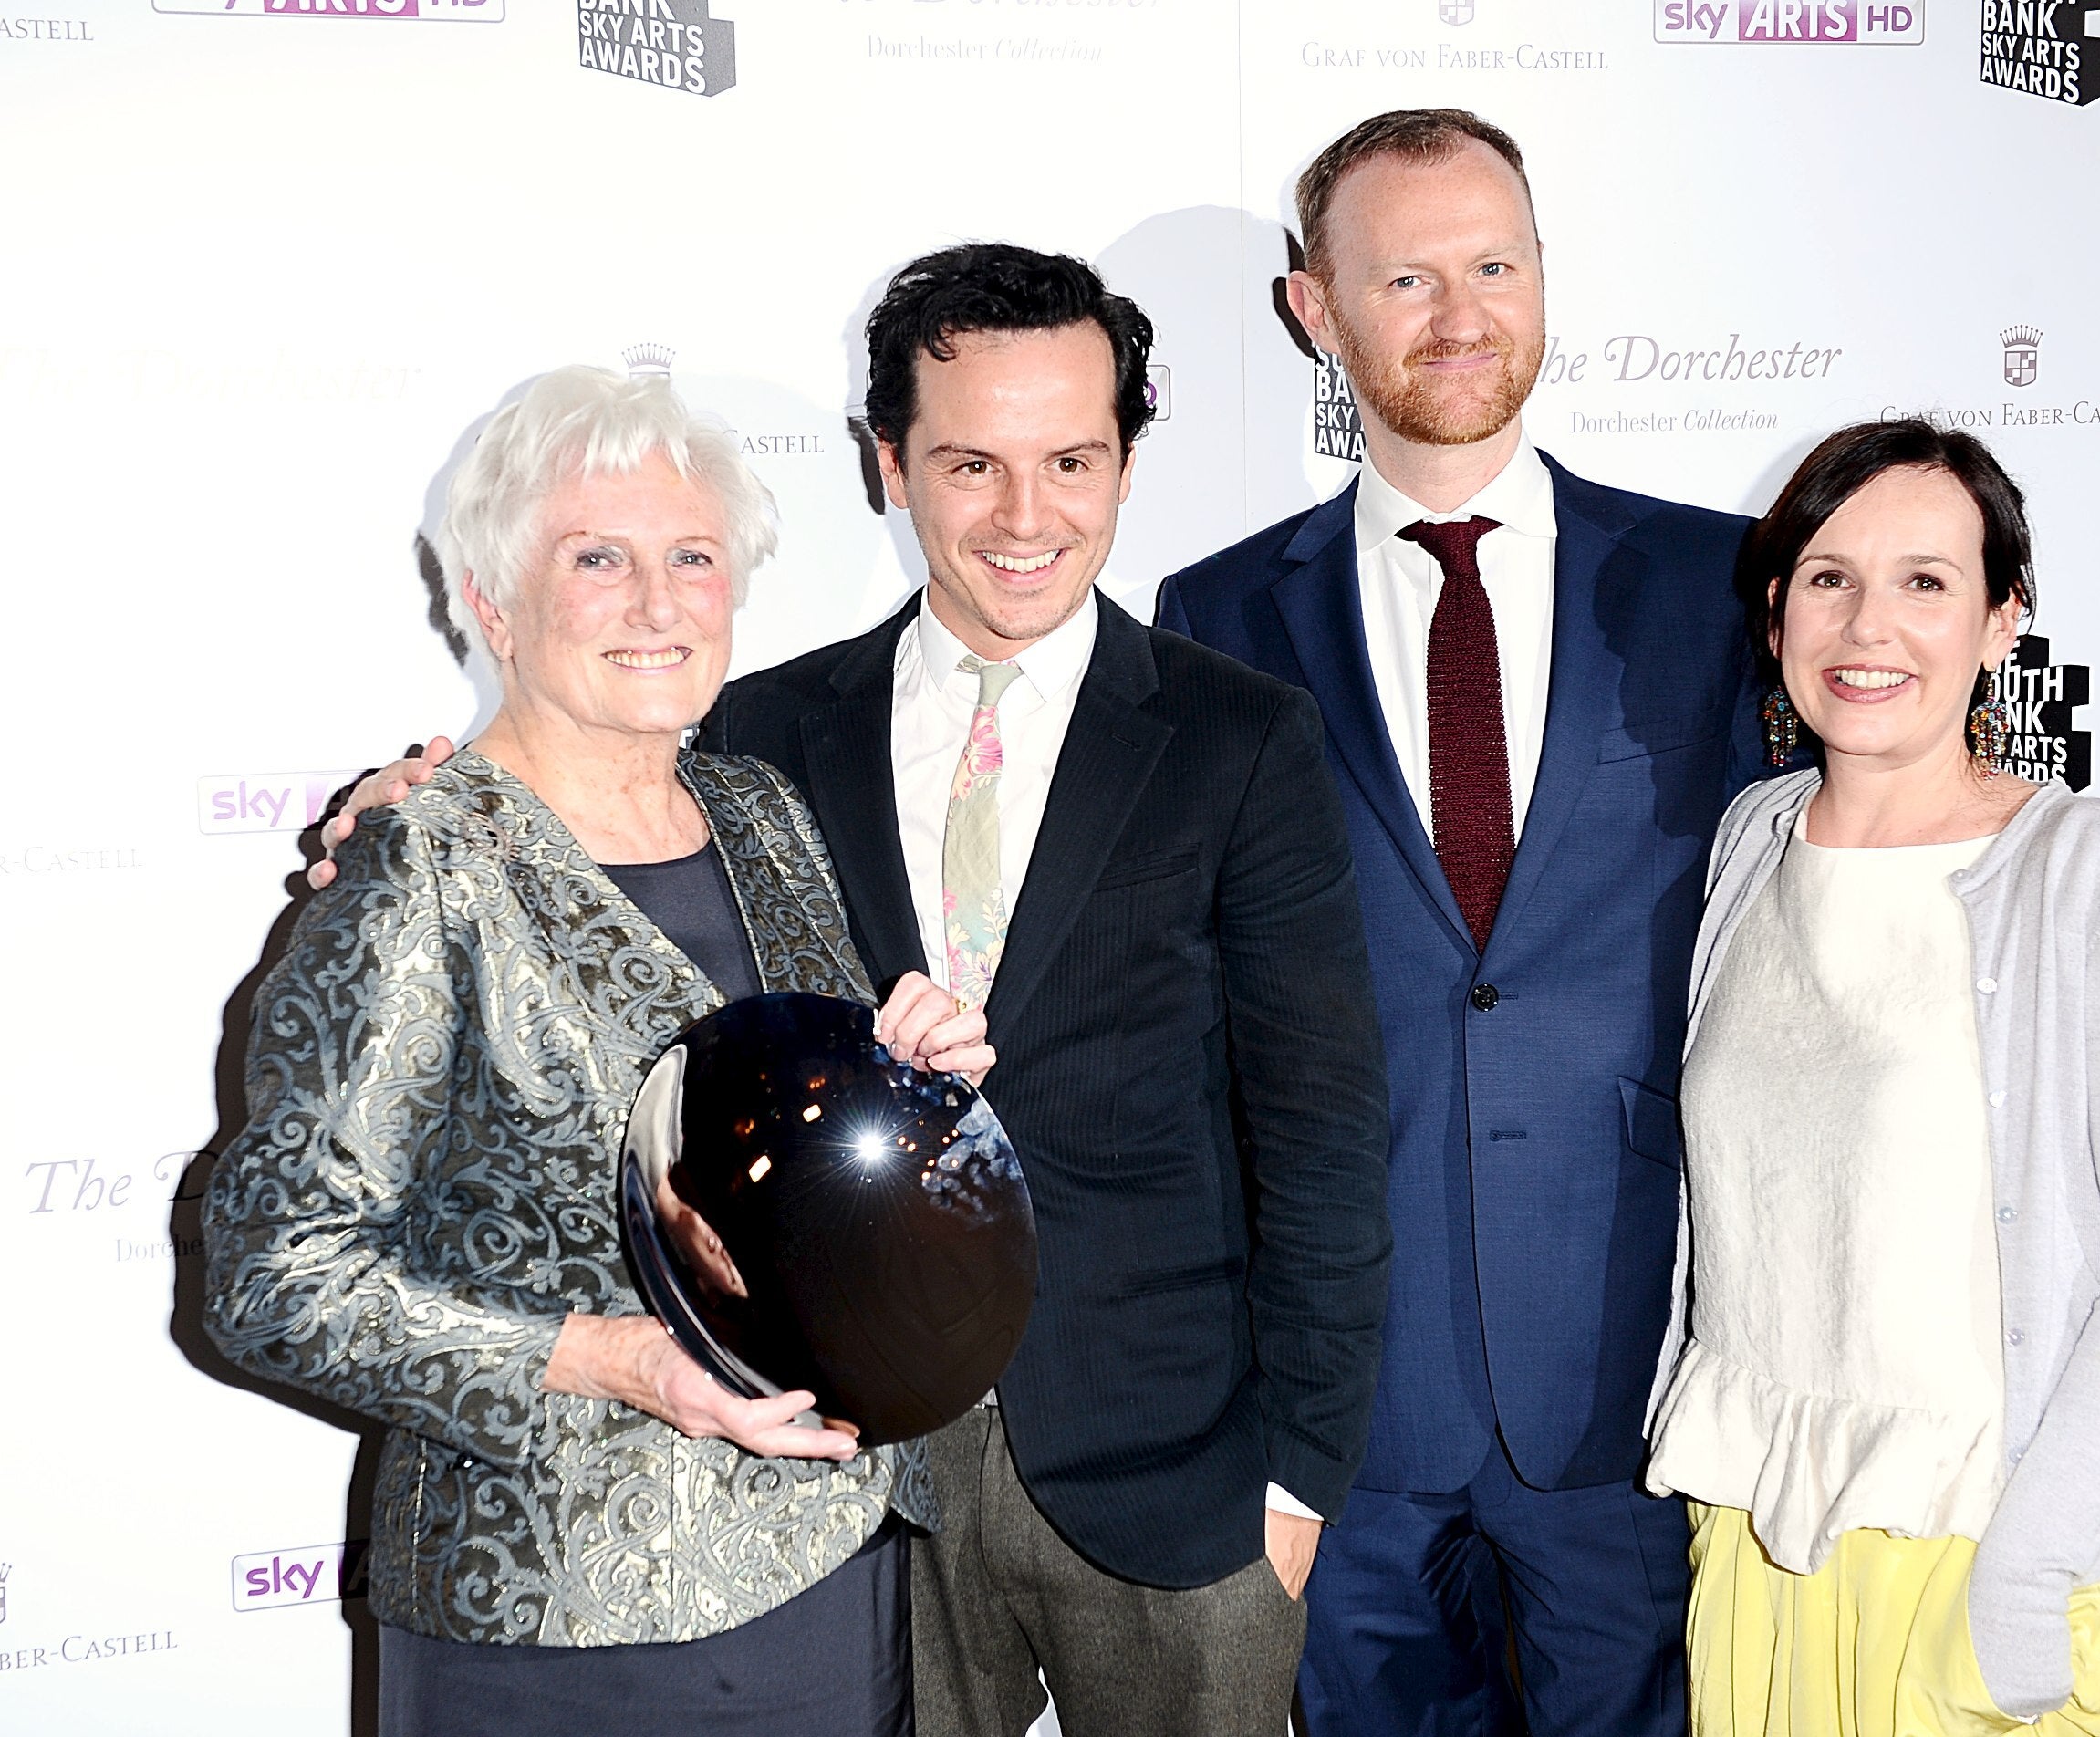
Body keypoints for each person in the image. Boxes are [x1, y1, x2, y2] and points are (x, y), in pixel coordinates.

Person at [1156, 109, 2100, 1737]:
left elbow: (1903, 791)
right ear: (1317, 309)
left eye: (1497, 263)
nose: (1462, 312)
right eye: (1407, 275)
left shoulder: (1723, 584)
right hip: (1349, 1410)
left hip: (1649, 1409)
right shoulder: (1217, 615)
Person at [313, 248, 1396, 1737]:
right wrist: (401, 799)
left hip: (1183, 1490)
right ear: (890, 465)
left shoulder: (1242, 736)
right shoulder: (755, 737)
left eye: (1073, 459)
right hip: (860, 1494)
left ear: (1129, 464)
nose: (1026, 517)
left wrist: (1295, 1487)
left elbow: (1326, 1130)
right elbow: (565, 818)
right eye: (970, 462)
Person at [204, 365, 994, 1737]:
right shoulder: (418, 863)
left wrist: (918, 1089)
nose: (657, 601)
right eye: (597, 558)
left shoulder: (760, 813)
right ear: (492, 602)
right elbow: (273, 1276)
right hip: (561, 1618)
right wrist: (609, 1359)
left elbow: (786, 1169)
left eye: (692, 557)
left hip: (835, 1576)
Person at [1643, 419, 2100, 1737]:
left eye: (1926, 582)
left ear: (2001, 621)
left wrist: (2030, 1567)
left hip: (2005, 1558)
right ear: (1780, 606)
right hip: (1770, 1552)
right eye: (1830, 575)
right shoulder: (1752, 839)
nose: (1869, 626)